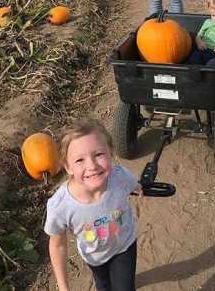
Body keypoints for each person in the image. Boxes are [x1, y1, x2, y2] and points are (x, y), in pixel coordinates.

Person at [45, 119, 143, 291]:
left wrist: (137, 187)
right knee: (103, 285)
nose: (92, 165)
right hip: (93, 256)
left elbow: (133, 183)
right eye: (79, 160)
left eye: (98, 154)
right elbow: (57, 245)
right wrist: (63, 286)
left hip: (124, 246)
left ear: (111, 152)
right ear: (67, 167)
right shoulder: (60, 207)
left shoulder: (119, 178)